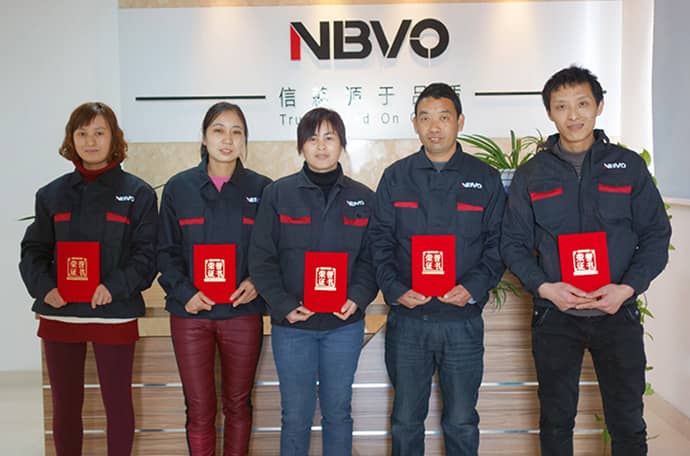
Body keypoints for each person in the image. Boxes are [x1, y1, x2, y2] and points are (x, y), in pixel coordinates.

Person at [500, 66, 671, 456]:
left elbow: (656, 235)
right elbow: (512, 243)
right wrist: (546, 288)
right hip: (556, 316)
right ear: (549, 112)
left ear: (599, 106)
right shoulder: (531, 175)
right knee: (556, 422)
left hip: (617, 314)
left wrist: (626, 289)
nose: (573, 115)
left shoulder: (628, 166)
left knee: (627, 423)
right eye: (561, 106)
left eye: (582, 104)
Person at [368, 83, 506, 455]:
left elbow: (498, 244)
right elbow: (378, 242)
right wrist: (395, 289)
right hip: (408, 321)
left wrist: (472, 287)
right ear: (414, 123)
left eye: (444, 117)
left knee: (461, 421)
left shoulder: (485, 178)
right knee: (405, 421)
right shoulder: (396, 177)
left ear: (460, 121)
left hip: (461, 321)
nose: (434, 127)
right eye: (425, 117)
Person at [19, 102, 158, 456]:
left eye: (99, 132)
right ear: (71, 139)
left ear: (114, 138)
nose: (90, 141)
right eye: (82, 133)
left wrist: (114, 287)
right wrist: (45, 288)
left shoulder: (138, 193)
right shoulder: (50, 195)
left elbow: (147, 255)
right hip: (61, 314)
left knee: (118, 403)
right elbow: (34, 250)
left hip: (114, 313)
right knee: (65, 405)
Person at [249, 107, 378, 456]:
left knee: (338, 412)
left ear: (342, 144)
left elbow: (372, 258)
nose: (321, 146)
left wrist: (358, 296)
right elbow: (261, 258)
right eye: (312, 138)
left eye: (329, 138)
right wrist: (284, 305)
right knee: (295, 415)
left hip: (343, 325)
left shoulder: (364, 197)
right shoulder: (278, 194)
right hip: (293, 327)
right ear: (301, 146)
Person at [157, 102, 271, 456]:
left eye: (237, 132)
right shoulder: (179, 188)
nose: (228, 139)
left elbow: (273, 251)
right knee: (199, 408)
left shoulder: (262, 188)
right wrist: (185, 292)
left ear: (245, 140)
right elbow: (165, 251)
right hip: (191, 314)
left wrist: (256, 281)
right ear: (204, 138)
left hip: (242, 313)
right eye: (218, 130)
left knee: (238, 405)